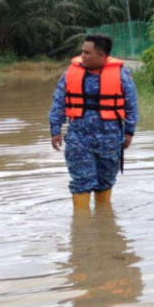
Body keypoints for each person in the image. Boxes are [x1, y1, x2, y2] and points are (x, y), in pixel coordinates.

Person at [49, 34, 139, 209]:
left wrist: (129, 132)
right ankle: (81, 228)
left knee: (105, 182)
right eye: (82, 52)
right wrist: (55, 130)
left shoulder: (122, 75)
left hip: (110, 138)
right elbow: (58, 103)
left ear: (102, 56)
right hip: (79, 138)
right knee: (81, 181)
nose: (82, 56)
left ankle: (104, 224)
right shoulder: (70, 74)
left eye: (87, 53)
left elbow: (131, 106)